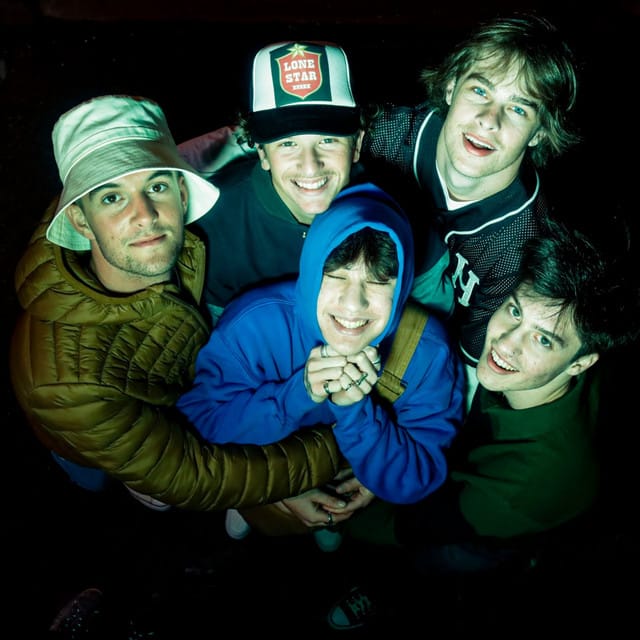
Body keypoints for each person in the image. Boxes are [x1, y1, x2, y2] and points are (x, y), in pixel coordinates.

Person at [9, 94, 344, 512]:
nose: (145, 214)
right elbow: (194, 476)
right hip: (90, 436)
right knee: (136, 495)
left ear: (182, 194)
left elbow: (207, 151)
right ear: (79, 219)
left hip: (187, 389)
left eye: (157, 186)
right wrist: (359, 445)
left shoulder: (165, 234)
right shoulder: (69, 386)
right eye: (111, 198)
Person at [323, 216, 640, 630]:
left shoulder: (533, 481)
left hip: (488, 525)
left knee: (433, 560)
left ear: (580, 364)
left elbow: (418, 521)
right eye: (515, 311)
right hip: (468, 473)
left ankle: (388, 592)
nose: (505, 343)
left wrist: (357, 500)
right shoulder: (535, 369)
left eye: (543, 339)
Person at [177, 182, 465, 540]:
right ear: (312, 271)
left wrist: (355, 410)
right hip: (267, 467)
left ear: (402, 284)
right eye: (336, 276)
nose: (353, 304)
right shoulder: (255, 324)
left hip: (354, 472)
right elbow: (199, 428)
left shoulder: (428, 351)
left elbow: (416, 477)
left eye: (378, 283)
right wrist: (296, 395)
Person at [360, 13, 581, 405]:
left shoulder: (523, 243)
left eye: (518, 109)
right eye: (480, 91)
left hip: (414, 367)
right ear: (450, 87)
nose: (488, 121)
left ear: (539, 133)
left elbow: (467, 372)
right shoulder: (386, 135)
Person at [178, 40, 369, 325]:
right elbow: (218, 337)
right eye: (287, 143)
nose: (310, 165)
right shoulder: (216, 224)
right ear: (262, 152)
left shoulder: (398, 207)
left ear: (357, 145)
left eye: (328, 140)